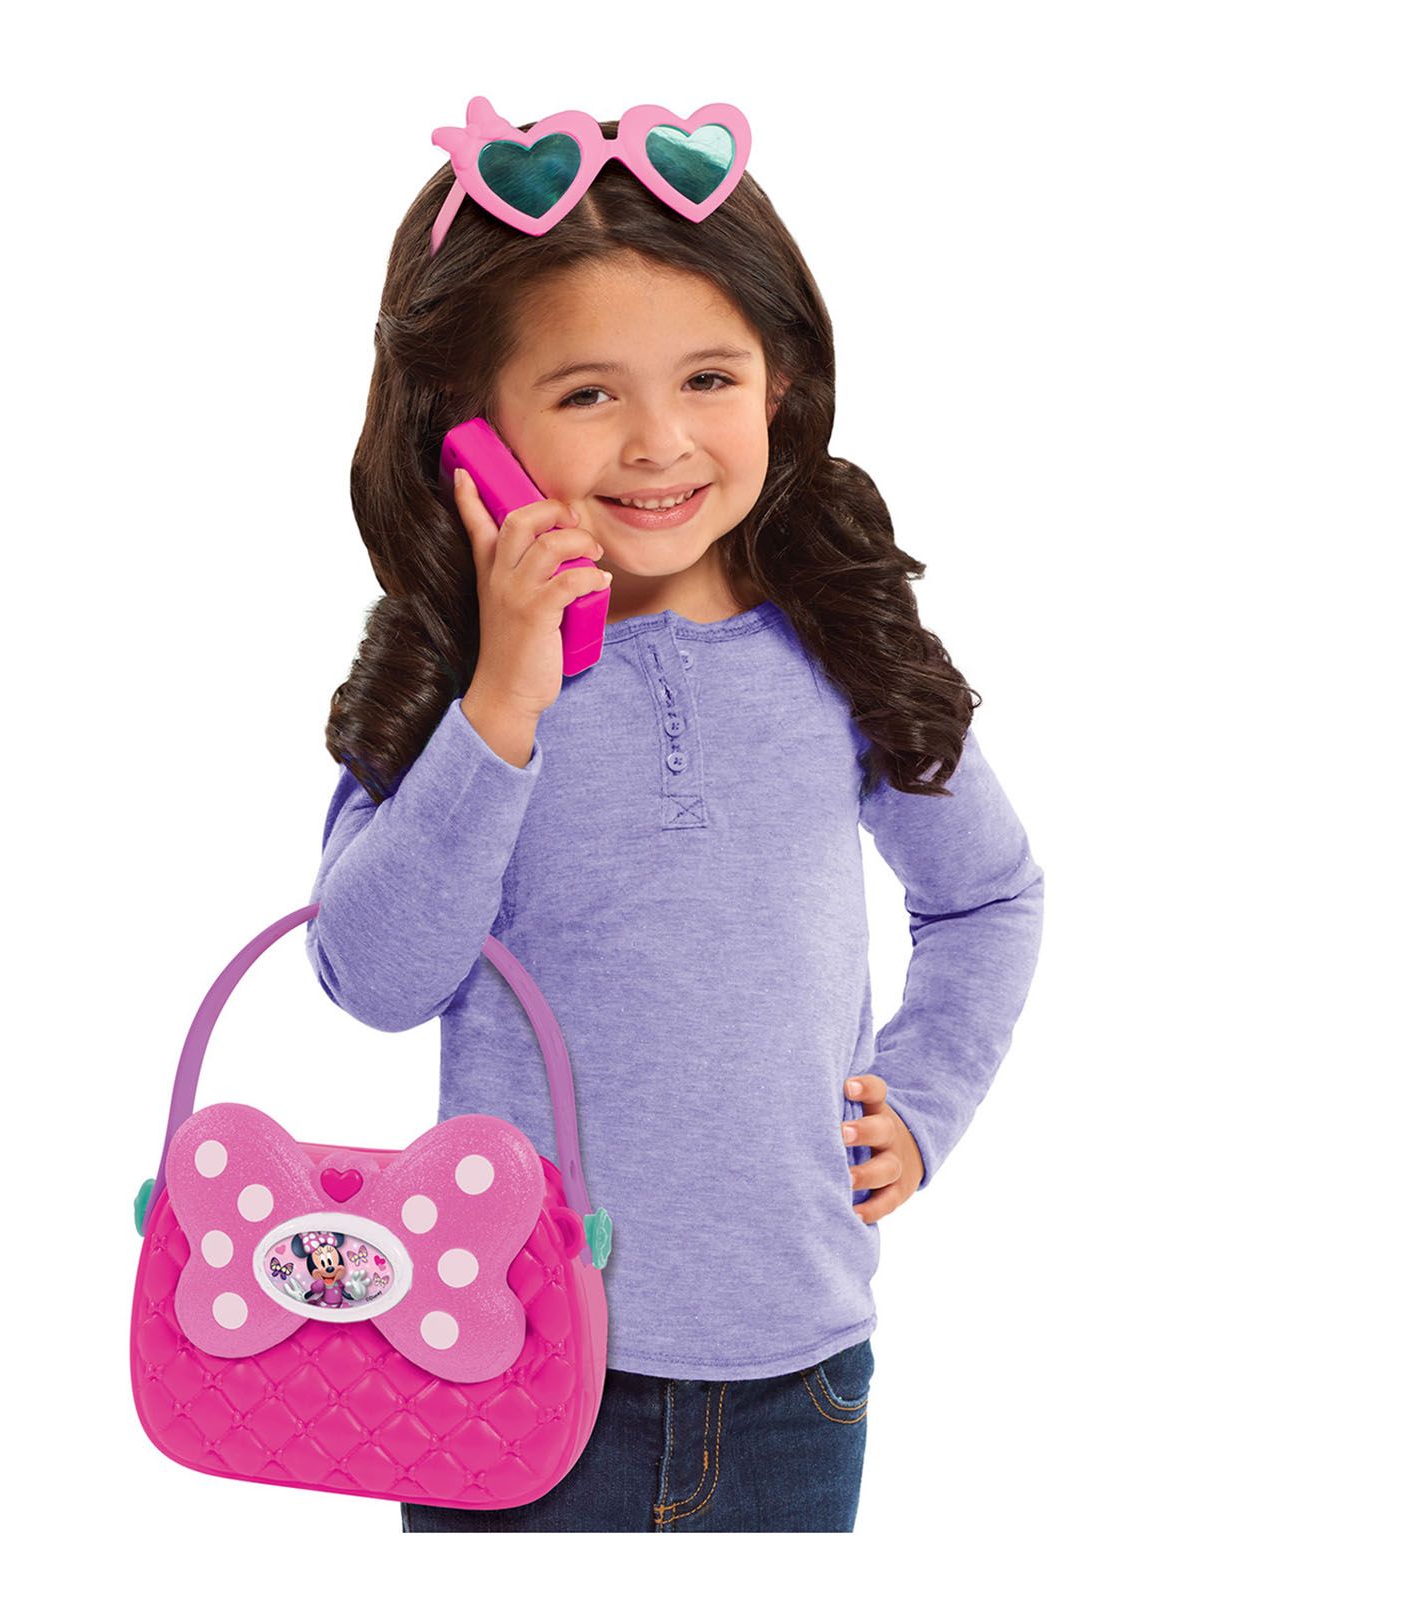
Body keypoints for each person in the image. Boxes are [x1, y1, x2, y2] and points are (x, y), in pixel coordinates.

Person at [306, 96, 1045, 1532]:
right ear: (473, 433)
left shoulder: (837, 645)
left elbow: (988, 894)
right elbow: (377, 979)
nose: (659, 443)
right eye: (588, 394)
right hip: (503, 1358)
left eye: (708, 377)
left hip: (795, 1372)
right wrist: (505, 699)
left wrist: (924, 1102)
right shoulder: (455, 680)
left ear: (779, 382)